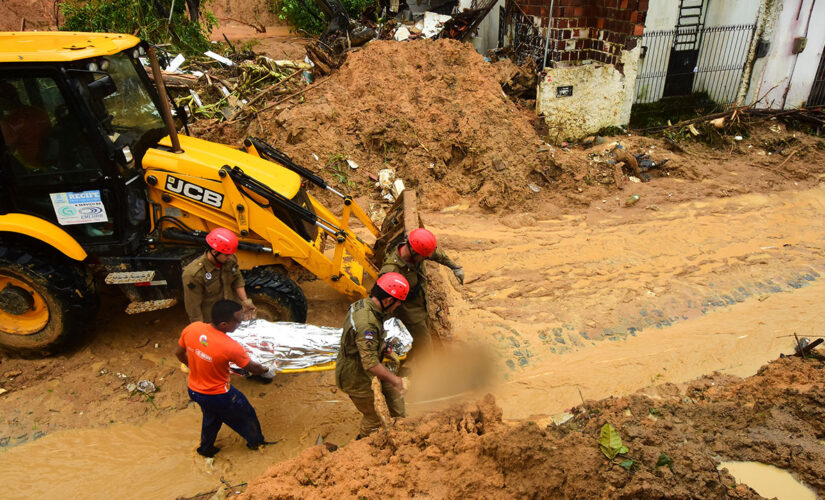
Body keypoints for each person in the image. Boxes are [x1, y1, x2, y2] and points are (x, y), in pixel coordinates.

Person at [175, 299, 275, 457]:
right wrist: (266, 369)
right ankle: (256, 443)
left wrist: (194, 366)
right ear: (224, 325)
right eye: (238, 321)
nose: (240, 323)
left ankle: (206, 449)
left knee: (212, 417)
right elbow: (252, 368)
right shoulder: (230, 346)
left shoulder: (192, 328)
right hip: (218, 395)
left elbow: (179, 353)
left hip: (194, 390)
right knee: (246, 414)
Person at [335, 272, 410, 438]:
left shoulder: (363, 305)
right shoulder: (367, 323)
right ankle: (362, 446)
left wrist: (382, 346)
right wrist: (396, 380)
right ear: (389, 300)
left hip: (359, 364)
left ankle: (399, 427)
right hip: (355, 376)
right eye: (397, 304)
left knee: (393, 399)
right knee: (374, 416)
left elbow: (362, 341)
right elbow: (370, 364)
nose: (396, 308)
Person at [379, 228, 464, 361]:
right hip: (411, 318)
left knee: (416, 349)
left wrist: (455, 267)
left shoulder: (417, 252)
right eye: (424, 256)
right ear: (413, 251)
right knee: (425, 351)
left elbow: (436, 254)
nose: (426, 258)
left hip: (423, 308)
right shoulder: (392, 271)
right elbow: (382, 303)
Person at [182, 227, 256, 323]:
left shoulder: (230, 259)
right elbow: (194, 308)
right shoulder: (194, 275)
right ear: (214, 252)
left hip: (230, 315)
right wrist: (201, 330)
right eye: (227, 255)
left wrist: (245, 301)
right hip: (212, 321)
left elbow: (237, 278)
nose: (230, 257)